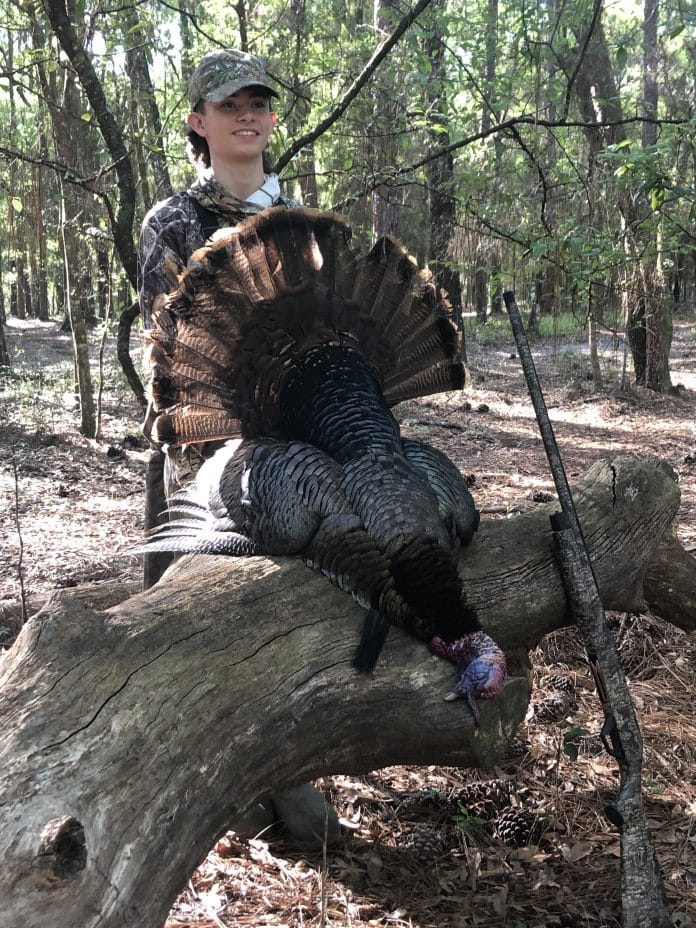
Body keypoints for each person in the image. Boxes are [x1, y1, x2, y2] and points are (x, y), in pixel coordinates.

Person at [137, 49, 340, 847]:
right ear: (199, 121)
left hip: (300, 446)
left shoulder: (303, 218)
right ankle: (246, 791)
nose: (247, 116)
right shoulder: (173, 223)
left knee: (299, 612)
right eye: (229, 106)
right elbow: (173, 340)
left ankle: (288, 777)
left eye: (258, 103)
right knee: (209, 620)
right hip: (210, 450)